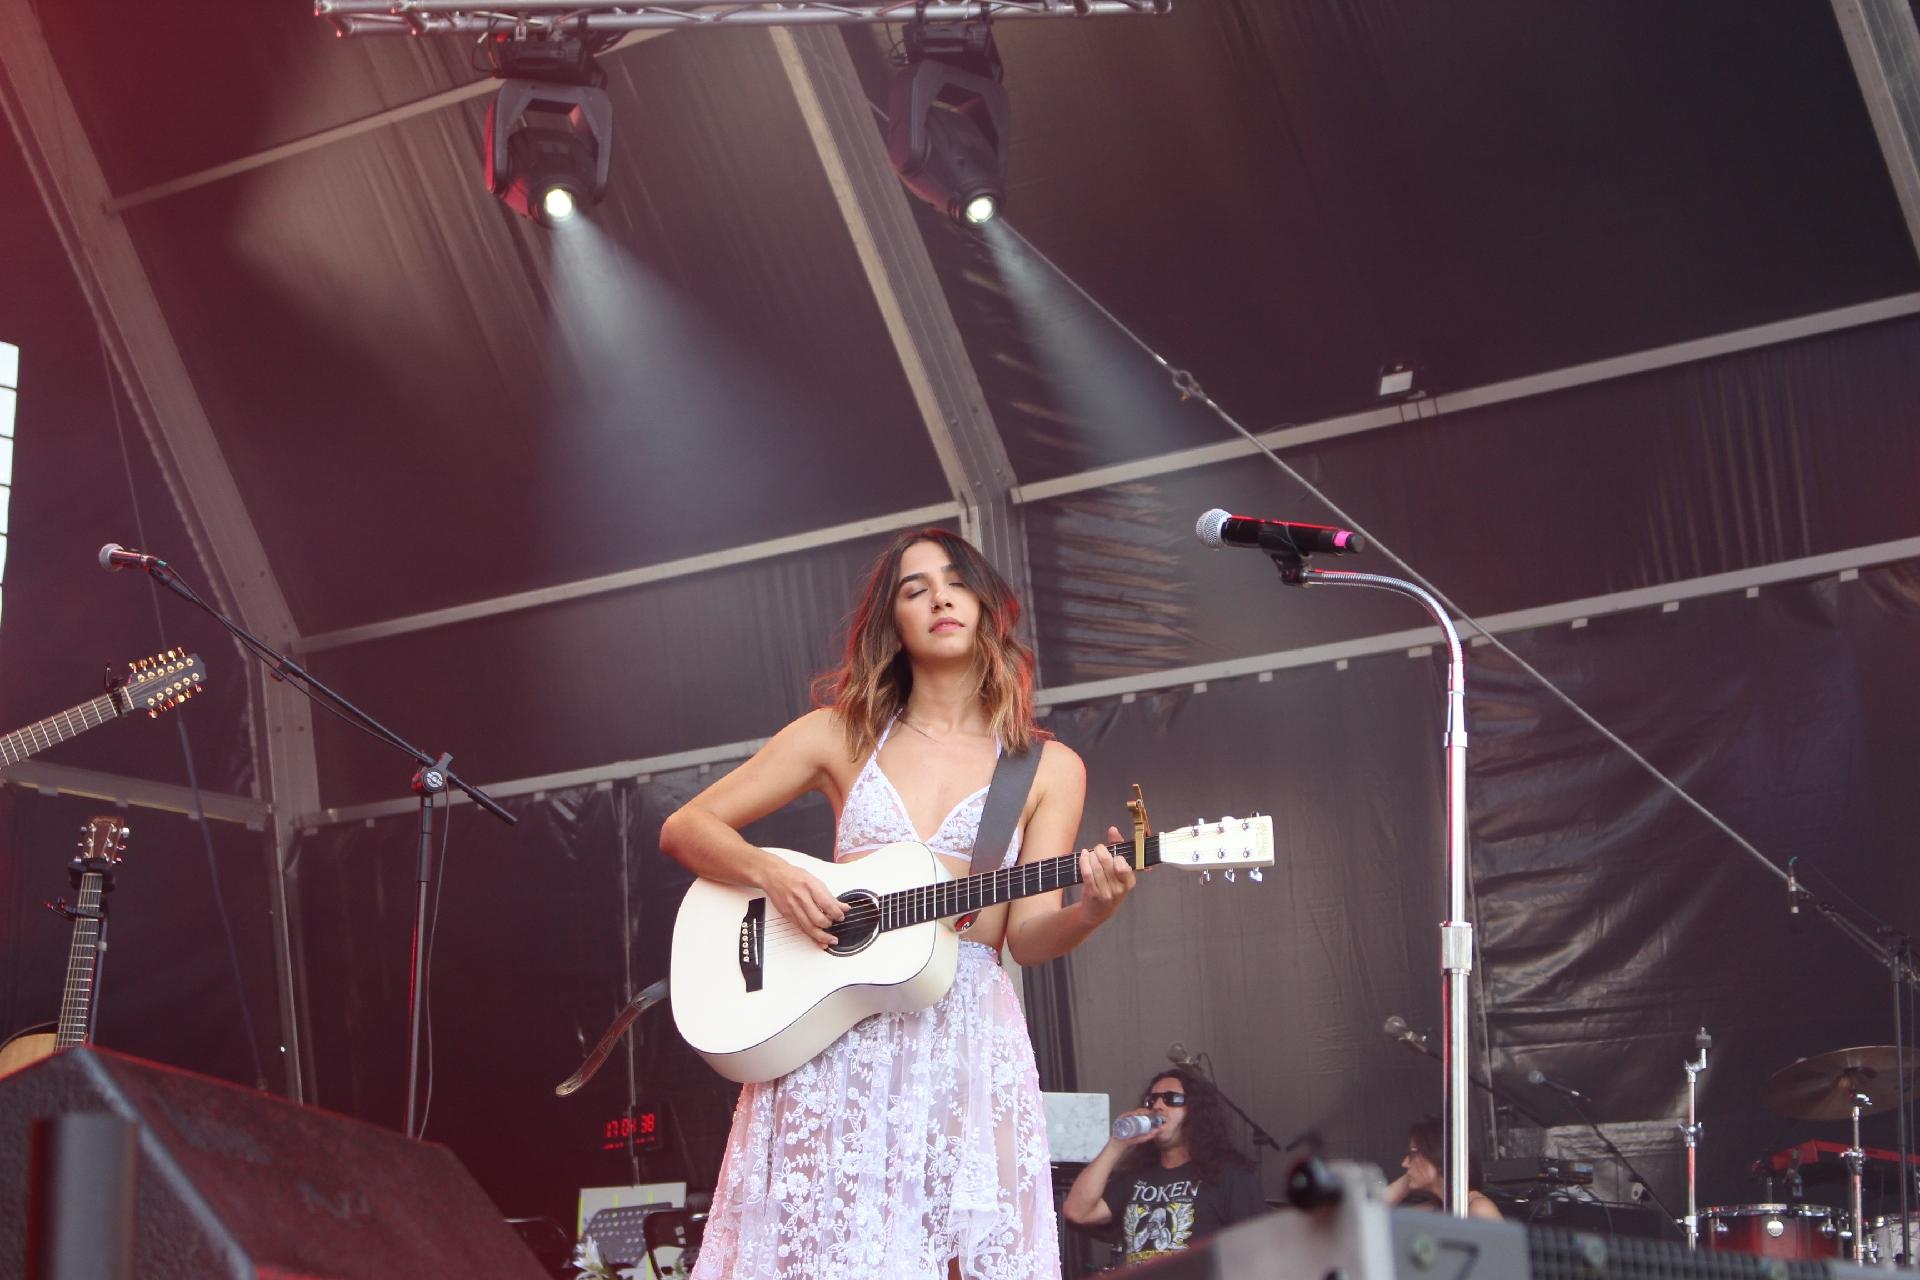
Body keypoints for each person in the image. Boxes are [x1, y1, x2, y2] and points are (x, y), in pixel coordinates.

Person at [660, 527, 1138, 1280]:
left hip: (965, 1028)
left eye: (955, 581)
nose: (940, 596)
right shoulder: (839, 736)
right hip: (832, 1026)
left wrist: (1094, 910)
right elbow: (687, 827)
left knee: (967, 1254)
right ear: (894, 621)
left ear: (985, 607)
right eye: (915, 588)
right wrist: (772, 876)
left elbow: (1030, 936)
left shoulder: (1045, 767)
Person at [1061, 1067, 1266, 1266]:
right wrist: (1116, 1144)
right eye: (1152, 1100)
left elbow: (1257, 1255)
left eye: (1171, 1099)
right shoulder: (1135, 1178)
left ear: (1197, 1111)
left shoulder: (1229, 1176)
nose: (1158, 1105)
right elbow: (1078, 1212)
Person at [1385, 1116, 1503, 1221]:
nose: (1404, 1163)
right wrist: (1409, 1178)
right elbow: (1375, 1223)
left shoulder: (1479, 1209)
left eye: (1413, 1153)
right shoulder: (1436, 1208)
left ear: (1438, 1154)